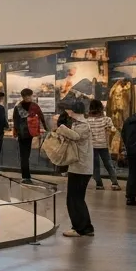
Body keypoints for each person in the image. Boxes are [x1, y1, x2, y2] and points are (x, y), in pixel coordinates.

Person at [53, 102, 95, 238]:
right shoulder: (78, 124)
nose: (67, 113)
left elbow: (76, 136)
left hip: (81, 168)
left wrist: (62, 127)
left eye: (69, 110)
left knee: (74, 199)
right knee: (75, 198)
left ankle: (80, 228)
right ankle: (85, 227)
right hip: (78, 167)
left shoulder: (83, 125)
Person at [84, 99, 120, 191]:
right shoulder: (107, 119)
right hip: (104, 145)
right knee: (108, 164)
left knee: (95, 166)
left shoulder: (87, 121)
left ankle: (99, 184)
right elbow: (113, 130)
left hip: (92, 146)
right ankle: (114, 183)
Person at [13, 88, 45, 182]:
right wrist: (46, 128)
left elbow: (15, 121)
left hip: (23, 134)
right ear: (31, 95)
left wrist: (17, 132)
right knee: (26, 155)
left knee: (24, 156)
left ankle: (25, 176)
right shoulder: (34, 106)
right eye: (28, 96)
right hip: (30, 133)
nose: (29, 97)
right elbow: (41, 116)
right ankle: (26, 176)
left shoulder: (18, 107)